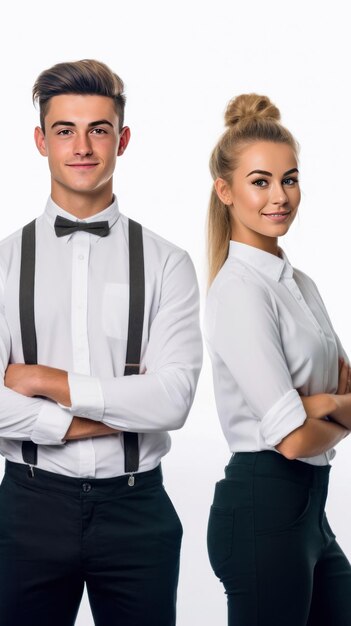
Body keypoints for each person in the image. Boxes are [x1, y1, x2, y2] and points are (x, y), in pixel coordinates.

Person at [0, 59, 202, 626]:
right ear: (41, 141)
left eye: (99, 129)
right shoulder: (3, 264)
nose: (82, 146)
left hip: (137, 509)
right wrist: (91, 419)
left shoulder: (168, 263)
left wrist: (45, 383)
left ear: (123, 139)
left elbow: (173, 401)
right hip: (29, 507)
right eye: (65, 130)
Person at [204, 93, 351, 625]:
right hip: (262, 507)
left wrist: (319, 406)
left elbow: (343, 391)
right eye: (260, 181)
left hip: (310, 511)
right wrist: (334, 405)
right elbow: (291, 440)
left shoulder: (299, 282)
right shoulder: (239, 291)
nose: (280, 196)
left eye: (289, 179)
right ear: (226, 190)